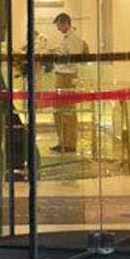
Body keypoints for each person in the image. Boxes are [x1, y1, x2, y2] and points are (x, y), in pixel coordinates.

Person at [42, 12, 87, 154]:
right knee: (59, 111)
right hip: (61, 75)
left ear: (66, 23)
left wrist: (56, 56)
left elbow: (73, 59)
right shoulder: (67, 37)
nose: (58, 28)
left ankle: (70, 143)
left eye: (59, 26)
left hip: (67, 77)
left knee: (68, 111)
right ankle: (62, 141)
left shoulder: (74, 38)